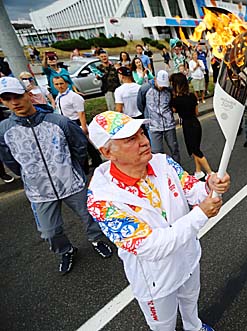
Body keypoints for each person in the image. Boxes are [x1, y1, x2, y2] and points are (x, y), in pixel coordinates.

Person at [86, 111, 229, 331]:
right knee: (163, 325)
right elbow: (150, 246)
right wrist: (200, 214)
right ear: (106, 152)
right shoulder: (101, 200)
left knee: (191, 301)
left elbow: (193, 189)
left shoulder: (163, 163)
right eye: (130, 139)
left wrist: (210, 185)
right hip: (155, 280)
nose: (144, 142)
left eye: (142, 133)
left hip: (188, 258)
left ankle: (194, 327)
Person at [0, 77, 112, 274]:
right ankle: (66, 250)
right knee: (49, 231)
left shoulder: (58, 122)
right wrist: (29, 176)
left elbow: (79, 146)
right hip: (39, 191)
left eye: (17, 96)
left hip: (71, 183)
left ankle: (96, 239)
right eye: (7, 99)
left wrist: (74, 168)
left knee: (90, 216)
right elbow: (9, 160)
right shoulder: (4, 131)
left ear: (28, 94)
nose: (14, 102)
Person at [53, 76, 102, 171]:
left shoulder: (73, 96)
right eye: (57, 84)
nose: (60, 86)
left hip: (76, 123)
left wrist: (84, 127)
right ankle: (93, 161)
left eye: (61, 83)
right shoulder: (59, 96)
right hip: (67, 124)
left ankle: (88, 165)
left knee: (82, 145)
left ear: (66, 83)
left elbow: (81, 112)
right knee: (83, 144)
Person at [170, 73, 212, 180]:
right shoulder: (192, 96)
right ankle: (198, 171)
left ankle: (210, 172)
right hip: (196, 123)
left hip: (187, 125)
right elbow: (197, 112)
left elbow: (173, 110)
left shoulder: (175, 100)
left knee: (195, 150)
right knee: (195, 148)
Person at [137, 70, 180, 163]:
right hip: (153, 126)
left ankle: (177, 170)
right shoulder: (145, 89)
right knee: (157, 152)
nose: (161, 87)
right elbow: (140, 104)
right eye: (160, 84)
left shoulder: (168, 89)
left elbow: (172, 102)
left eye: (164, 85)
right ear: (155, 79)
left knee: (174, 148)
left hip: (169, 124)